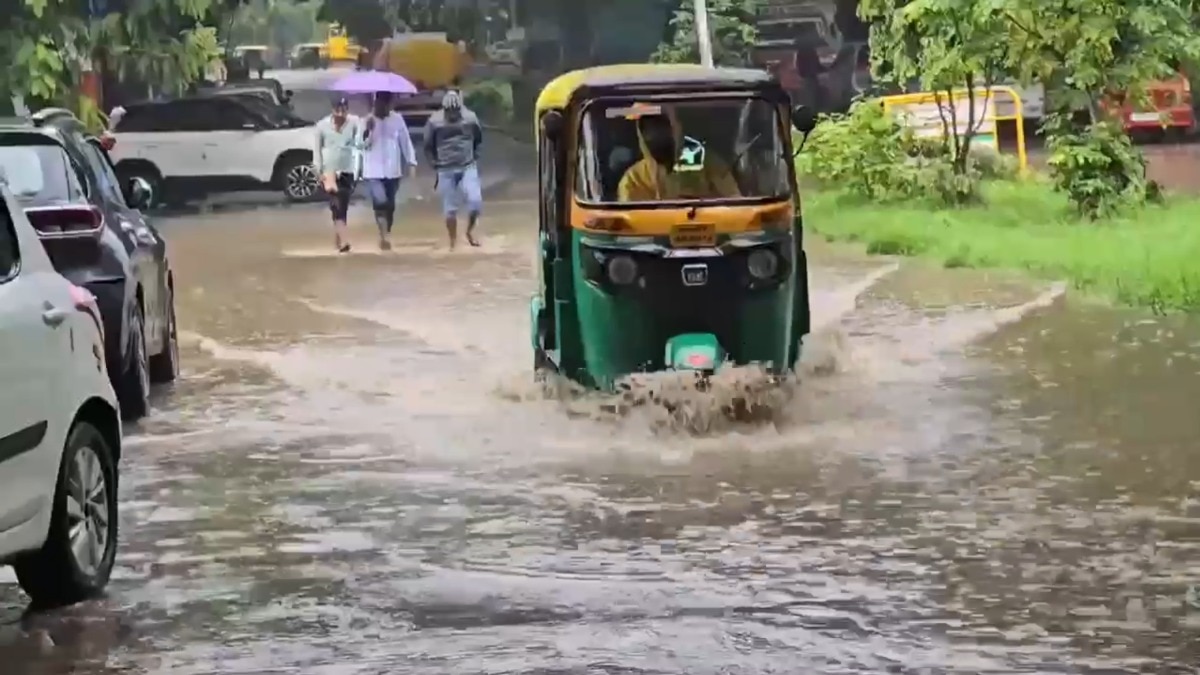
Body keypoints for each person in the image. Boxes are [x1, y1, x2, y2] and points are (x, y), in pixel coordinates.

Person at [617, 108, 740, 202]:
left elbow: (735, 205)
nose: (655, 135)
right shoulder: (633, 179)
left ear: (675, 128)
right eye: (648, 129)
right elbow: (629, 225)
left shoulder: (707, 163)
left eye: (661, 126)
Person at [423, 90, 484, 249]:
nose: (453, 115)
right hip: (445, 169)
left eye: (456, 112)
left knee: (475, 202)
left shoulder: (470, 118)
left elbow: (478, 138)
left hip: (467, 165)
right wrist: (433, 163)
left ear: (460, 109)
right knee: (450, 210)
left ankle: (469, 231)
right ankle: (453, 241)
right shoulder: (434, 122)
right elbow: (428, 145)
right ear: (444, 110)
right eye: (449, 112)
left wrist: (474, 155)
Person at [360, 91, 418, 250]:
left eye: (386, 104)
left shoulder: (397, 119)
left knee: (390, 205)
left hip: (393, 170)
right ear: (375, 103)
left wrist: (411, 162)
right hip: (373, 171)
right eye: (380, 103)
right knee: (380, 201)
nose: (383, 107)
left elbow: (405, 141)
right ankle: (384, 236)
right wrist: (369, 131)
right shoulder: (367, 120)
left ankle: (386, 232)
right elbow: (361, 146)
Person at [314, 97, 361, 253]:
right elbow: (317, 150)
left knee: (343, 206)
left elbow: (361, 145)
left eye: (344, 110)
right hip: (329, 171)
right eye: (337, 110)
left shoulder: (355, 122)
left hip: (347, 170)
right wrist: (319, 171)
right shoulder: (321, 126)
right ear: (332, 110)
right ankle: (345, 241)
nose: (341, 114)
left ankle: (338, 240)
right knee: (336, 205)